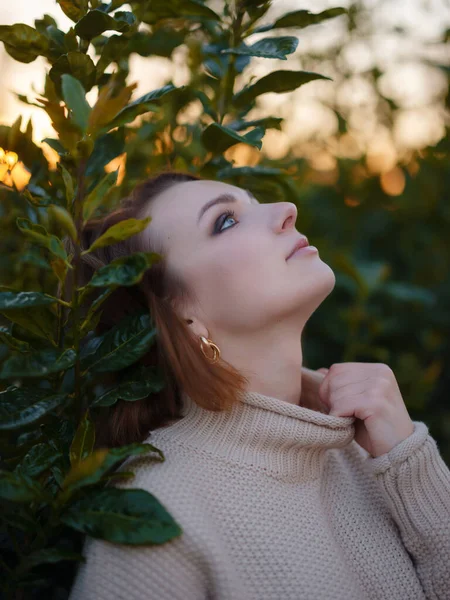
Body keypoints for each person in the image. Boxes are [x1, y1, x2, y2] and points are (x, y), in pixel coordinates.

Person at [68, 170, 450, 600]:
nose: (287, 211)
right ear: (182, 317)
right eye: (226, 221)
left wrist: (409, 462)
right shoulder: (151, 514)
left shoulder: (367, 441)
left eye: (253, 202)